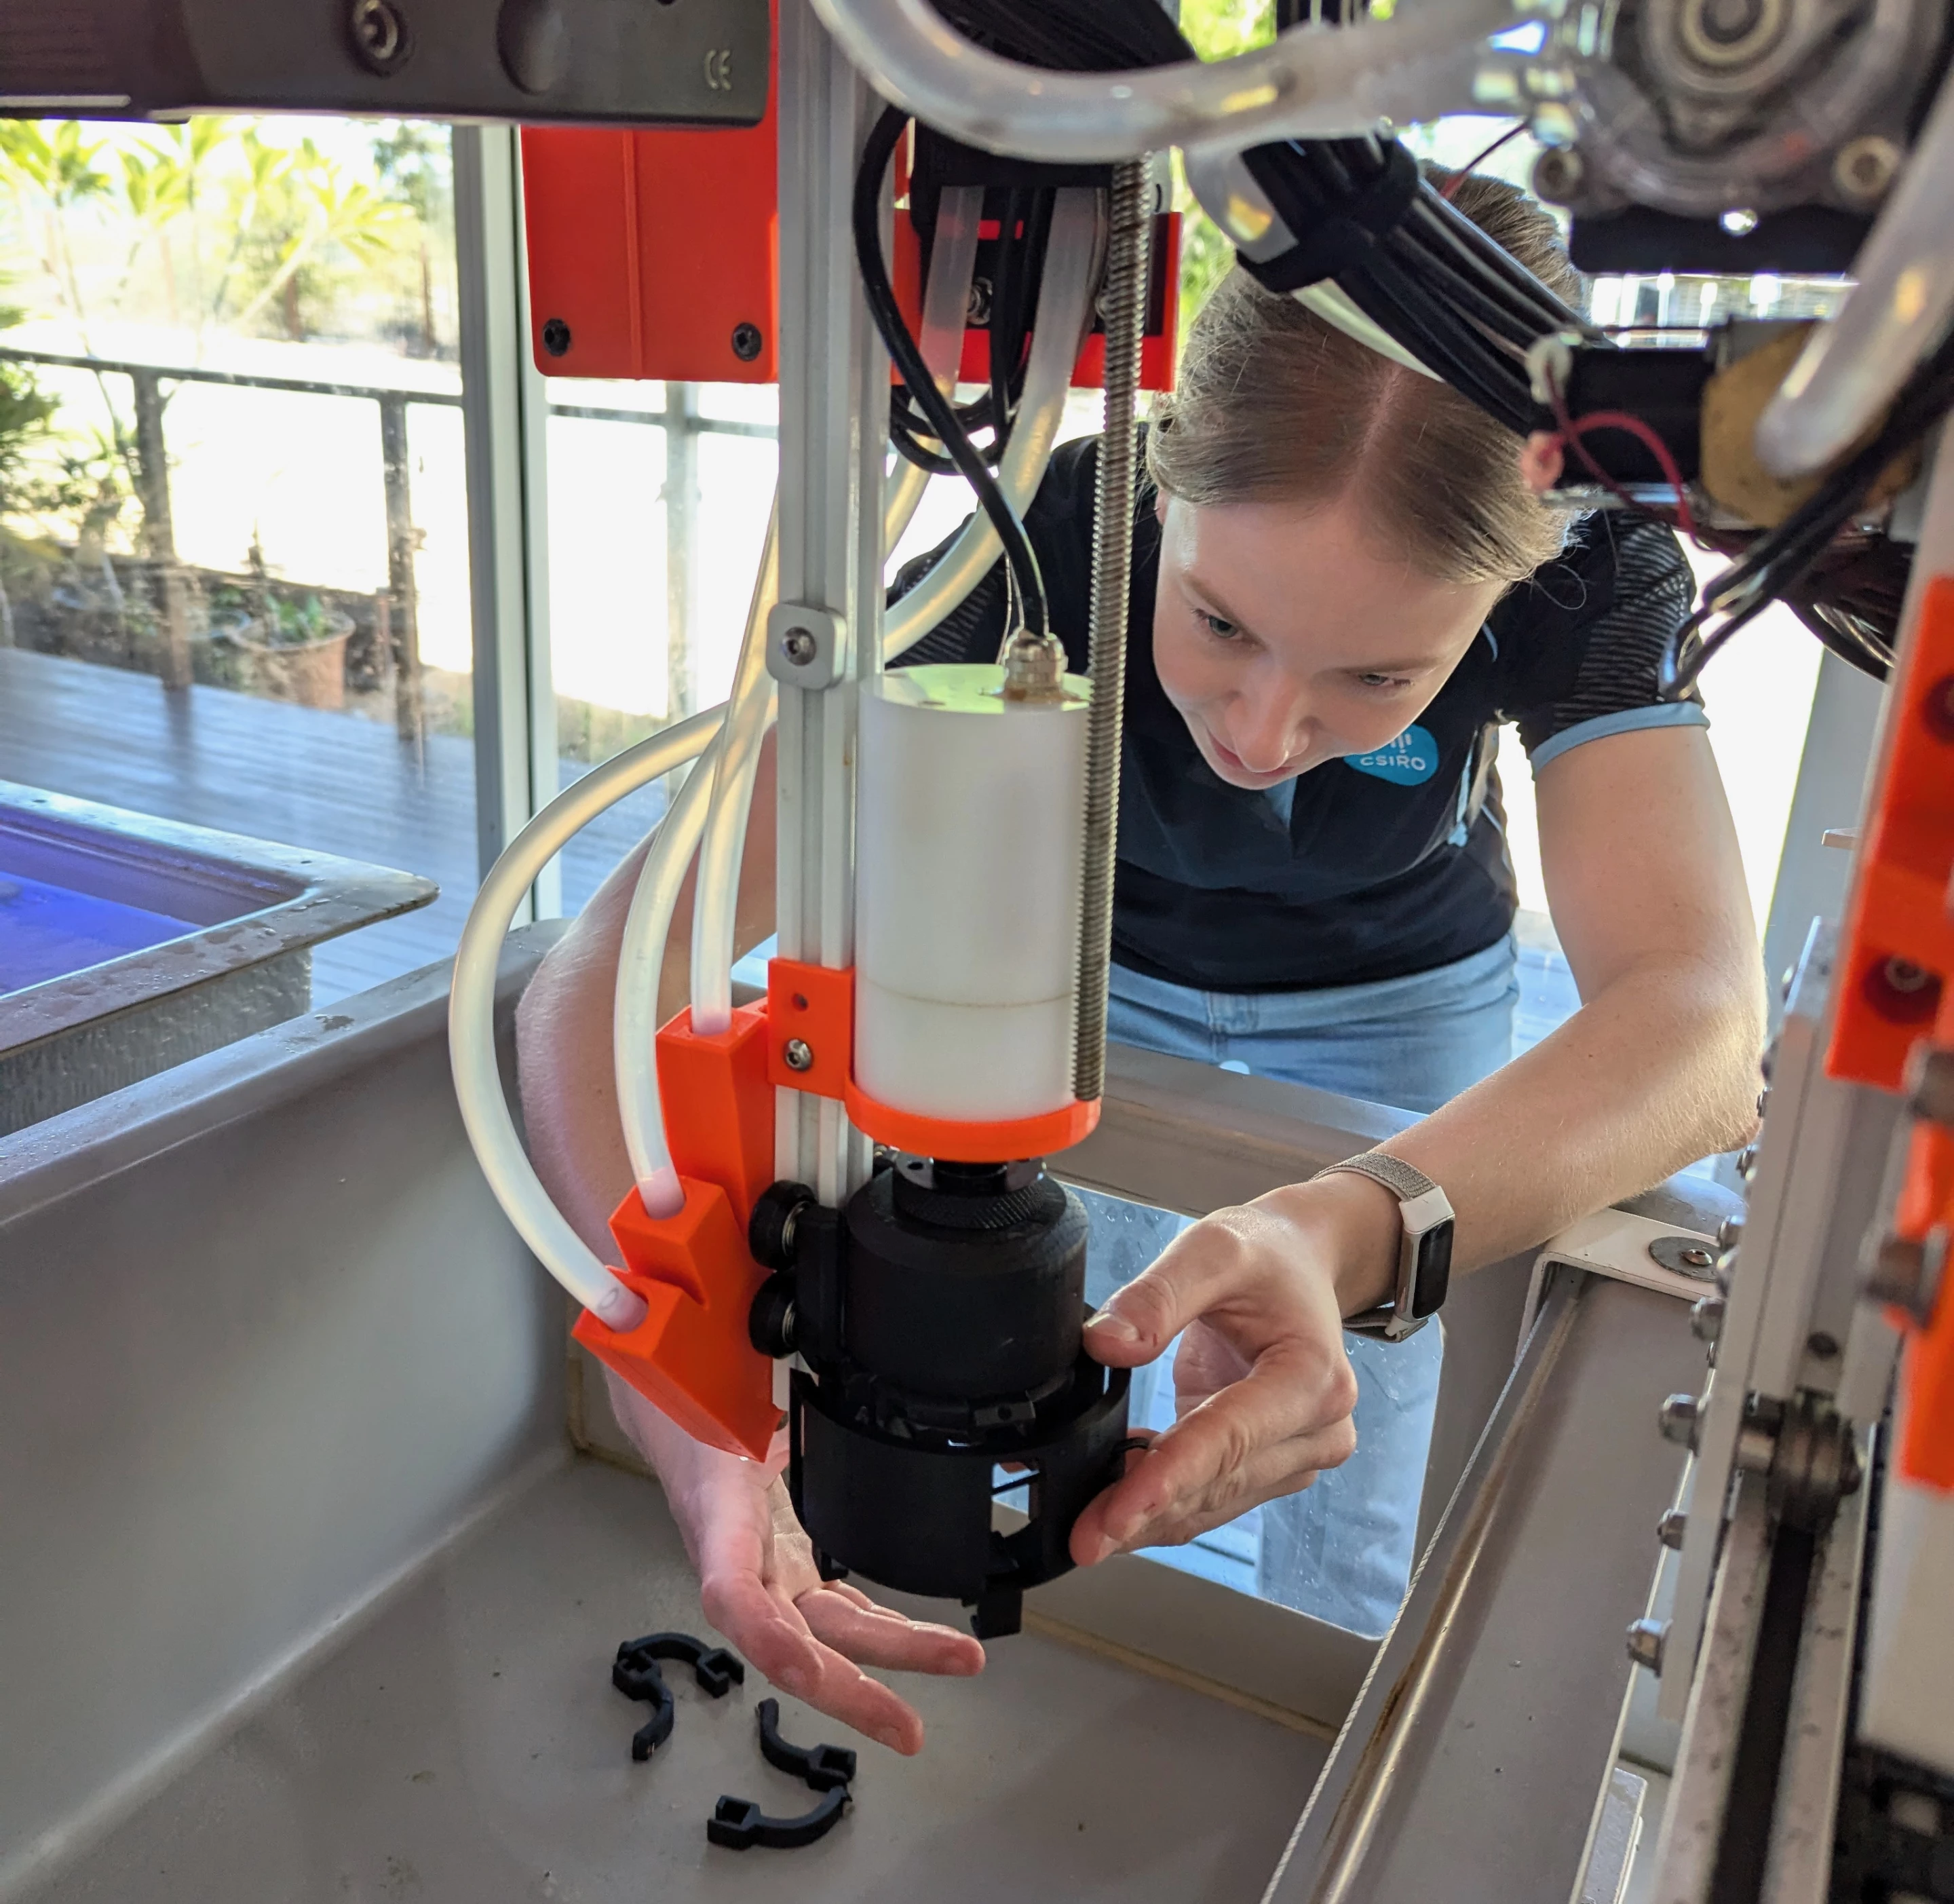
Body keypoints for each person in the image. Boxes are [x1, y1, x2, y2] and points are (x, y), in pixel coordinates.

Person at [516, 172, 1765, 1755]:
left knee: (1342, 1474)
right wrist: (699, 1425)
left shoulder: (1596, 570)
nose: (1262, 736)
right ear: (1159, 488)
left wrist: (1349, 1225)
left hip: (1403, 993)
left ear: (1509, 591)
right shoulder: (1051, 526)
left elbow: (1703, 1019)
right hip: (1096, 989)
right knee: (1046, 1407)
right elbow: (604, 966)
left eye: (1381, 674)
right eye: (1221, 623)